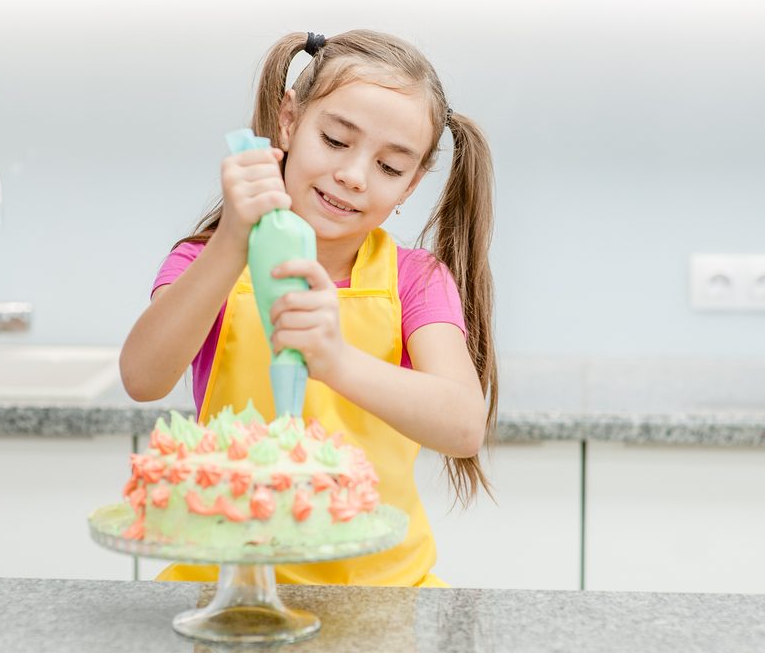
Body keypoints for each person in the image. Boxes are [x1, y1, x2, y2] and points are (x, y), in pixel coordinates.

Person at [120, 29, 497, 587]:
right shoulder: (208, 262)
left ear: (412, 185)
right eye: (337, 140)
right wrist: (231, 243)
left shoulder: (416, 280)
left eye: (390, 168)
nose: (353, 175)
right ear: (290, 121)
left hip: (382, 598)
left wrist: (336, 358)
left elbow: (465, 426)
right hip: (223, 592)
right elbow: (142, 378)